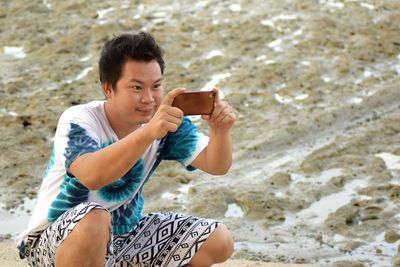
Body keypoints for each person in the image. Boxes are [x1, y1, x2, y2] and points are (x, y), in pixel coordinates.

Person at [16, 31, 236, 267]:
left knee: (217, 239)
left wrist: (220, 131)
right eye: (137, 87)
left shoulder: (166, 122)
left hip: (123, 238)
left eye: (157, 86)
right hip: (53, 242)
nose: (149, 99)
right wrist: (148, 132)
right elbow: (92, 176)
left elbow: (216, 165)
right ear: (108, 89)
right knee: (94, 218)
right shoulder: (80, 119)